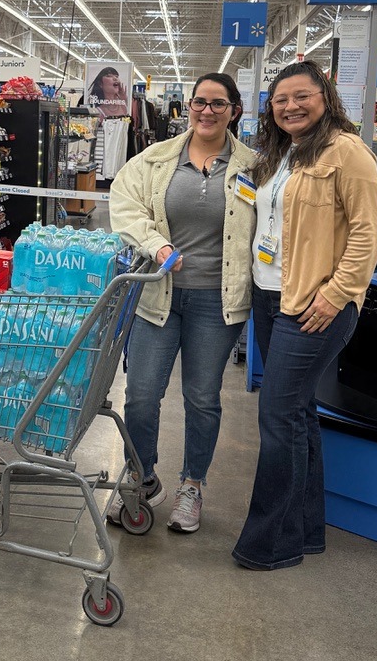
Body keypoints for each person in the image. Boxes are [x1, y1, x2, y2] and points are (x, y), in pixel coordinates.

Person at [232, 60, 377, 570]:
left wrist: (339, 292)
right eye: (281, 100)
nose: (291, 106)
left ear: (325, 96)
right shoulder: (279, 154)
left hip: (314, 306)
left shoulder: (348, 152)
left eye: (302, 96)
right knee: (297, 414)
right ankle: (306, 529)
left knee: (277, 418)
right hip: (271, 297)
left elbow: (368, 231)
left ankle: (271, 543)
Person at [109, 73, 256, 533]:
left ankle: (192, 485)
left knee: (202, 398)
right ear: (187, 107)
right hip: (157, 295)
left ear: (234, 110)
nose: (206, 111)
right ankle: (140, 475)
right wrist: (157, 245)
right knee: (142, 395)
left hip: (218, 301)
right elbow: (125, 205)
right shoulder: (155, 160)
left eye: (218, 103)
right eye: (199, 102)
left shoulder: (255, 167)